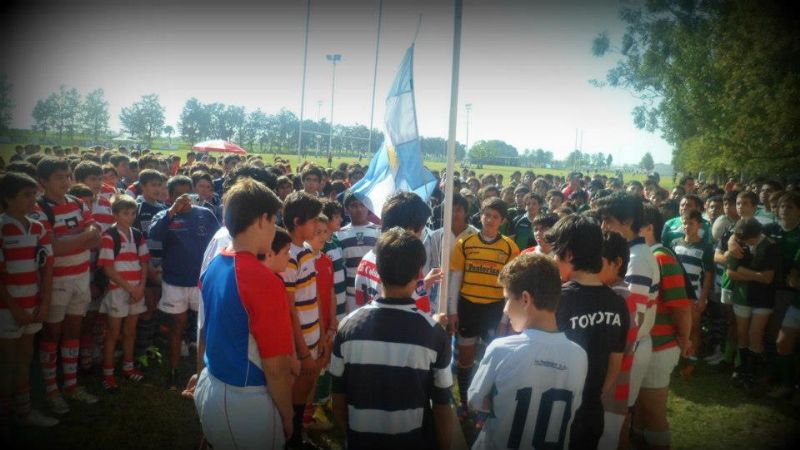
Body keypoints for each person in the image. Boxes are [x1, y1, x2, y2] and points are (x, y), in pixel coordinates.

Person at [194, 178, 295, 449]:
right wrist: (288, 414)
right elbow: (275, 369)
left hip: (213, 385)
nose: (275, 230)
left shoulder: (215, 263)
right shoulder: (264, 281)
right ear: (262, 219)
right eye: (274, 222)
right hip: (244, 401)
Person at [330, 228, 453, 450]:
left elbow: (337, 396)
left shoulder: (347, 327)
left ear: (378, 268)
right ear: (419, 273)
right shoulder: (434, 334)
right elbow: (443, 406)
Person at [469, 253, 587, 450]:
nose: (505, 310)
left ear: (525, 299)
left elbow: (476, 401)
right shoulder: (579, 356)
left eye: (507, 300)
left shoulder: (501, 349)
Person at [548, 215, 629, 450]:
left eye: (556, 252)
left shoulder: (557, 299)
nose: (554, 258)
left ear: (570, 254)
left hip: (556, 410)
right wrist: (593, 395)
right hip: (592, 411)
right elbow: (616, 361)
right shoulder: (618, 303)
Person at [31, 157, 101, 413]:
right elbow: (53, 248)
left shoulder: (78, 203)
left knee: (73, 330)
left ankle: (71, 386)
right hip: (56, 280)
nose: (66, 181)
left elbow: (96, 238)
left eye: (68, 176)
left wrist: (73, 240)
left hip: (81, 276)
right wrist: (83, 238)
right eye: (60, 177)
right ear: (43, 181)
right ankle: (51, 390)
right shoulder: (38, 209)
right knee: (51, 334)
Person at [448, 197, 520, 417]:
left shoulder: (509, 247)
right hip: (468, 307)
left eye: (495, 217)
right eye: (486, 215)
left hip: (494, 309)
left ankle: (486, 403)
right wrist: (452, 310)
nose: (489, 220)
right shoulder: (466, 243)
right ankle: (465, 402)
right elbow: (456, 279)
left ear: (502, 221)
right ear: (480, 216)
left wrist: (504, 320)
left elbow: (511, 287)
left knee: (492, 359)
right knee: (466, 358)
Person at [149, 175, 220, 390]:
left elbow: (219, 241)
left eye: (187, 193)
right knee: (176, 327)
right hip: (174, 282)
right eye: (178, 194)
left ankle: (203, 373)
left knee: (204, 328)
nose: (184, 198)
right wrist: (171, 213)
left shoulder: (205, 214)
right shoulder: (163, 216)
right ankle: (173, 371)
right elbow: (154, 235)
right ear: (169, 197)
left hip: (201, 282)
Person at [0, 172, 59, 430]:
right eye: (26, 195)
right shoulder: (2, 227)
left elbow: (46, 268)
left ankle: (23, 411)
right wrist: (13, 307)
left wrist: (44, 303)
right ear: (8, 198)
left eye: (34, 194)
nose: (33, 200)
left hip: (33, 306)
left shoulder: (38, 227)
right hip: (7, 309)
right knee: (7, 363)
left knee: (24, 357)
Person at [633, 204, 691, 450]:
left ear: (649, 227)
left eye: (635, 224)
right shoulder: (641, 256)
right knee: (638, 411)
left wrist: (683, 339)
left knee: (653, 413)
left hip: (660, 346)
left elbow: (681, 306)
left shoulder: (661, 257)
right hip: (643, 345)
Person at [280, 191, 324, 448]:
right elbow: (289, 309)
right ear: (297, 222)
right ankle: (291, 438)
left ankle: (296, 434)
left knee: (305, 389)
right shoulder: (289, 256)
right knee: (295, 395)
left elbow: (312, 296)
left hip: (312, 335)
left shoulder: (306, 251)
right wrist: (303, 351)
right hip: (300, 343)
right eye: (313, 221)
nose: (317, 226)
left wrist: (320, 335)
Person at [96, 195, 150, 392]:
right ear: (116, 214)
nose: (130, 217)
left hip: (136, 290)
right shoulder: (109, 236)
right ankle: (108, 374)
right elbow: (108, 269)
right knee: (113, 333)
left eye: (133, 213)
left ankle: (128, 367)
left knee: (130, 331)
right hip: (118, 291)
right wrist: (131, 288)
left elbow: (144, 262)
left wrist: (141, 287)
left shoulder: (137, 234)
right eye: (125, 213)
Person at [354, 192, 439, 313]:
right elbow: (415, 315)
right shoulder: (406, 265)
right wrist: (435, 324)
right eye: (421, 230)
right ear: (409, 230)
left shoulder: (367, 259)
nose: (421, 236)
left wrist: (423, 285)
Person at [726, 217, 779, 389]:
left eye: (747, 239)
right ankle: (742, 368)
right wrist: (757, 276)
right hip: (742, 295)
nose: (744, 242)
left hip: (763, 299)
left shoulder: (770, 246)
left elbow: (769, 278)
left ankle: (754, 371)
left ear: (756, 235)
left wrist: (743, 271)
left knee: (755, 335)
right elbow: (731, 273)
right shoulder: (738, 243)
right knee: (742, 334)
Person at [671, 209, 715, 377]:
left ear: (699, 225)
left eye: (691, 223)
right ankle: (677, 357)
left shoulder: (705, 247)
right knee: (677, 327)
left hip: (694, 295)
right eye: (684, 223)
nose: (687, 226)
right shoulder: (675, 243)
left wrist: (703, 298)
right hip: (676, 294)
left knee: (694, 328)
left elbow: (709, 275)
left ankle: (692, 360)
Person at [132, 169, 167, 367]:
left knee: (154, 307)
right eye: (152, 185)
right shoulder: (137, 208)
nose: (157, 189)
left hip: (160, 264)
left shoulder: (163, 209)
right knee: (145, 308)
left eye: (159, 184)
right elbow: (136, 240)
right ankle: (139, 352)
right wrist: (147, 267)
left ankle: (149, 345)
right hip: (144, 266)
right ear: (142, 186)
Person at [336, 193, 380, 313]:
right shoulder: (339, 235)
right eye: (354, 206)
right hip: (350, 295)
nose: (359, 209)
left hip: (374, 294)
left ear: (368, 207)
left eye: (362, 205)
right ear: (346, 209)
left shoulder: (379, 231)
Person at [321, 200, 347, 321]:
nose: (341, 220)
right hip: (330, 310)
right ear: (326, 219)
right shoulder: (321, 246)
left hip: (342, 305)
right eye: (336, 216)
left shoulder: (336, 240)